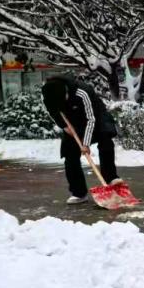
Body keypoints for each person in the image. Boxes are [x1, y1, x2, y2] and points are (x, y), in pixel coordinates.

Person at [41, 74, 122, 204]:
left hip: (96, 118)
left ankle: (111, 178)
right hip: (72, 123)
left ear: (66, 92)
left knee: (106, 141)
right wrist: (64, 126)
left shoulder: (82, 93)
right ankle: (79, 193)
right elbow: (53, 112)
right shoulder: (48, 95)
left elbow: (91, 119)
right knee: (69, 154)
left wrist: (86, 144)